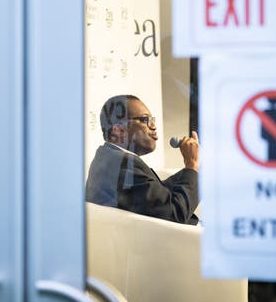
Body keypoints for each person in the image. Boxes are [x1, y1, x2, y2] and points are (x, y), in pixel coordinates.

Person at [85, 94, 200, 225]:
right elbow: (175, 213)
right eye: (145, 119)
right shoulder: (121, 166)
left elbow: (153, 192)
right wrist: (192, 165)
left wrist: (196, 170)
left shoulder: (109, 158)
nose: (154, 126)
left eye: (153, 120)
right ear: (119, 131)